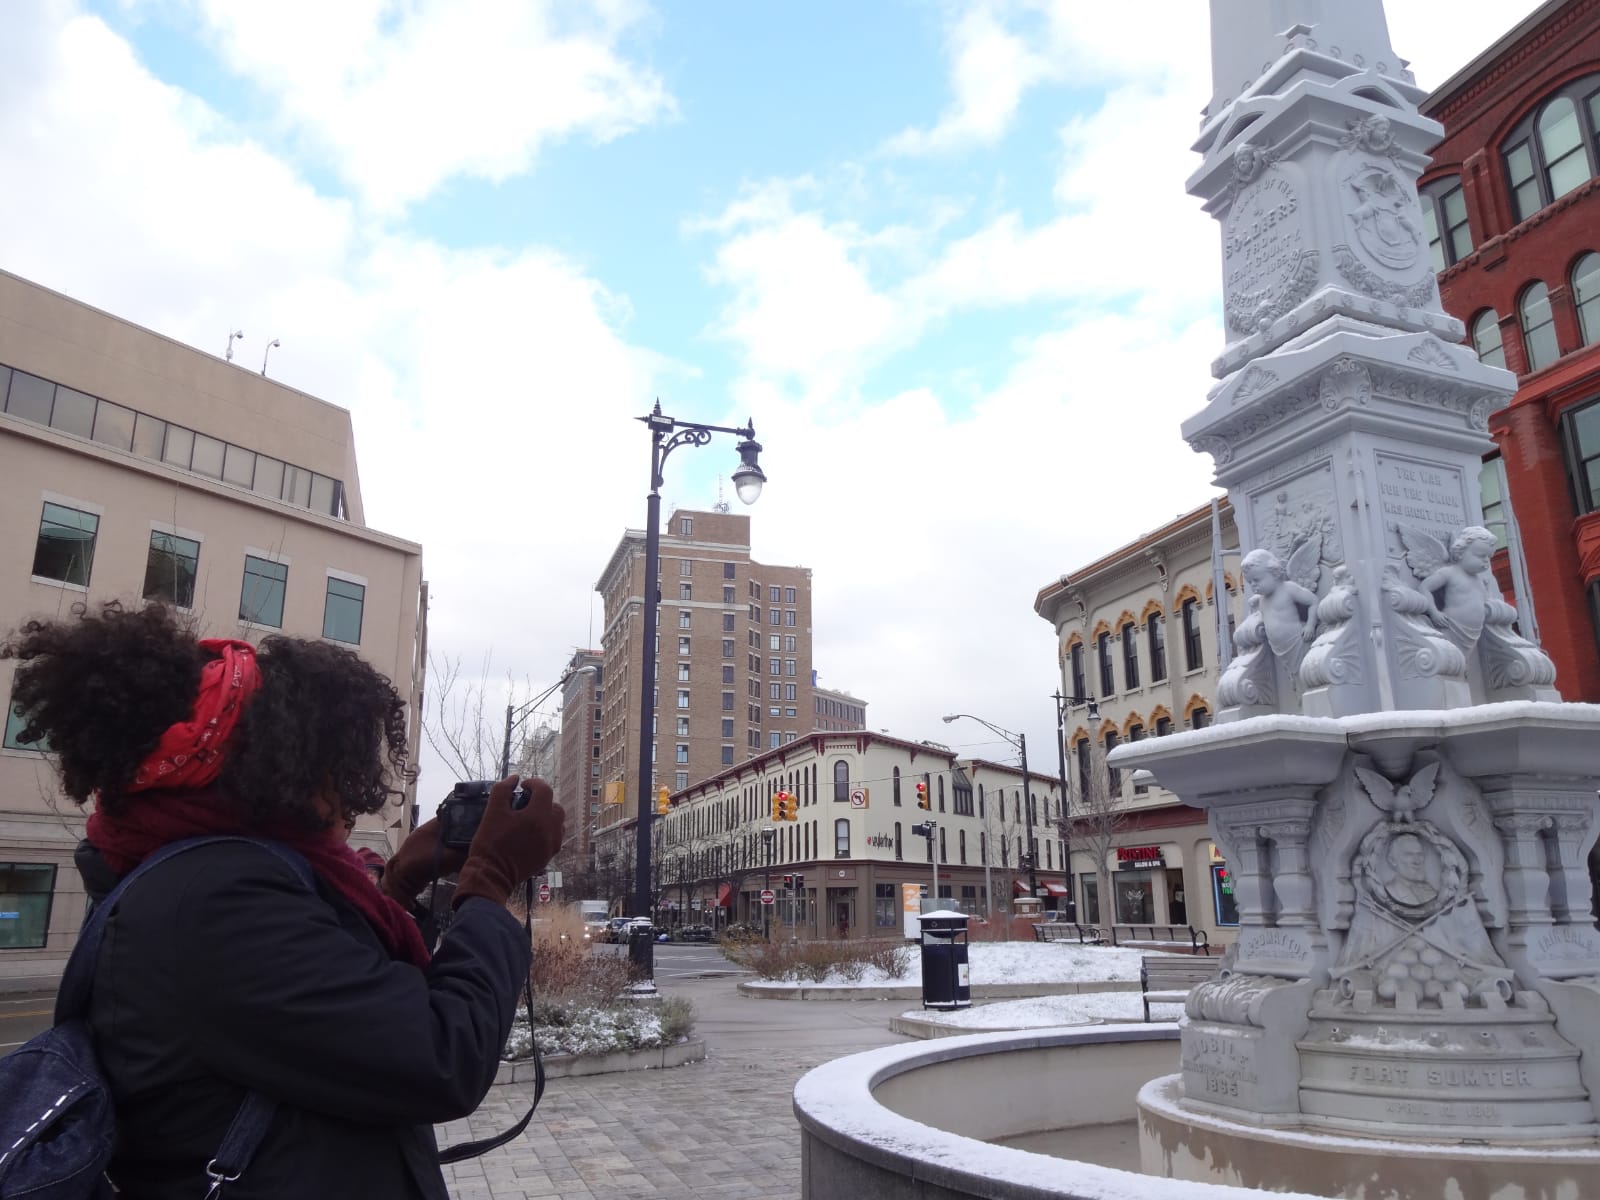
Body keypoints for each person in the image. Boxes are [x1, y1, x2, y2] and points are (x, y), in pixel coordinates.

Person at [3, 602, 563, 1200]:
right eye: (336, 768)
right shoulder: (212, 901)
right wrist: (490, 879)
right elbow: (440, 1054)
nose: (349, 794)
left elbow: (340, 1004)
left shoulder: (206, 877)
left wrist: (397, 884)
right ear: (280, 768)